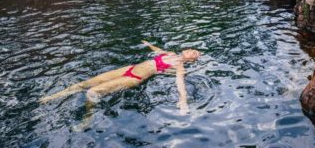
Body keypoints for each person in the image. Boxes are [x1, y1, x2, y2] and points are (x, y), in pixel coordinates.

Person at [40, 41, 201, 115]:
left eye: (194, 53)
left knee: (92, 92)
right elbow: (158, 51)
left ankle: (87, 118)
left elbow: (180, 83)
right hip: (129, 69)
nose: (192, 50)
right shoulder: (171, 54)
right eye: (193, 49)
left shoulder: (180, 67)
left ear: (191, 60)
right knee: (85, 83)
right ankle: (54, 96)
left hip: (135, 77)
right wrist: (148, 44)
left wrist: (183, 101)